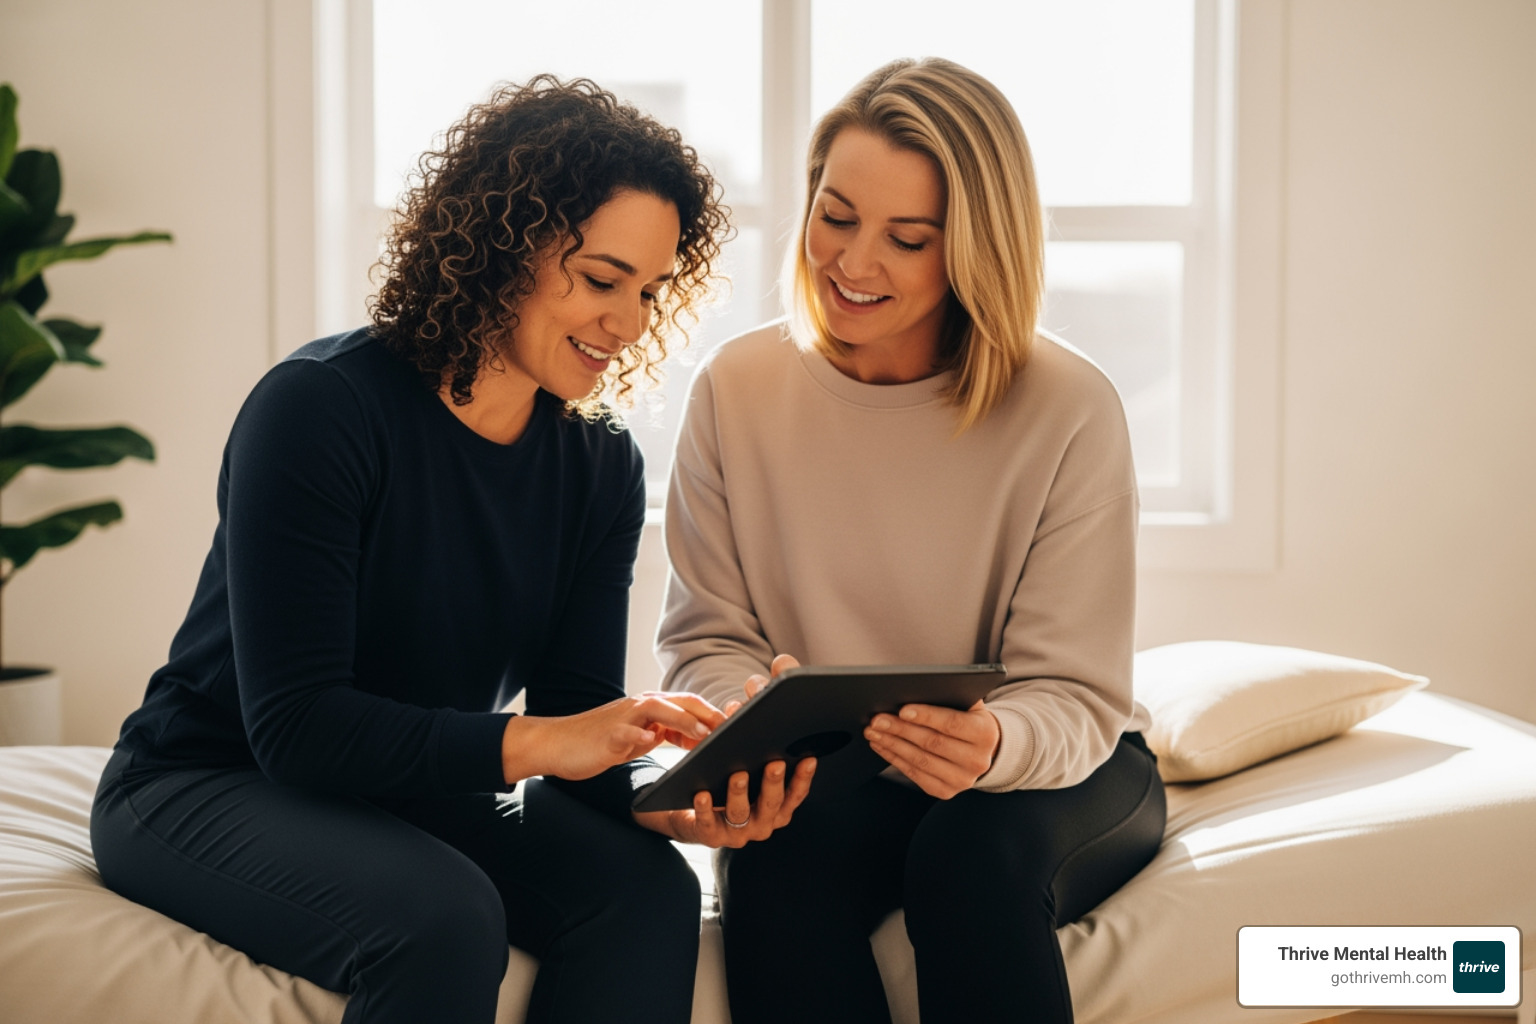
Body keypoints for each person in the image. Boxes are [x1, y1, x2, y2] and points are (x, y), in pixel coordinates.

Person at [90, 75, 774, 1024]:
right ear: (504, 246)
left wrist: (667, 802)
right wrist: (539, 744)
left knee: (648, 891)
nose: (629, 324)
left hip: (414, 782)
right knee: (447, 919)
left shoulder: (597, 462)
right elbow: (297, 730)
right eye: (602, 279)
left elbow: (575, 720)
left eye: (651, 291)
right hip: (208, 778)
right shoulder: (320, 408)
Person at [657, 58, 1167, 1024]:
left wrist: (994, 742)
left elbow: (1077, 691)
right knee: (775, 867)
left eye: (908, 238)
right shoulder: (737, 388)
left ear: (974, 248)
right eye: (837, 216)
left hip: (1057, 764)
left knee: (969, 857)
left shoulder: (1068, 407)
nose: (853, 262)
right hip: (849, 771)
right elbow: (705, 638)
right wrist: (747, 717)